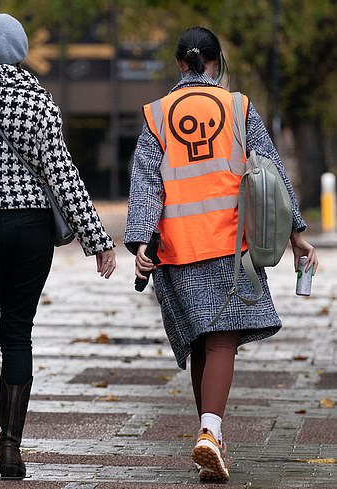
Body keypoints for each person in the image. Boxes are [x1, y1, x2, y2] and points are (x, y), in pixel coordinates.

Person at [0, 12, 117, 479]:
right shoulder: (38, 102)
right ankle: (10, 448)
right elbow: (62, 176)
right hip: (30, 228)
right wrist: (98, 241)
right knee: (17, 333)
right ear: (21, 51)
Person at [125, 26, 318, 482]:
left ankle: (209, 435)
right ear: (216, 61)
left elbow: (147, 183)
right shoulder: (239, 106)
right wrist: (295, 233)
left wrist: (139, 242)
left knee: (199, 342)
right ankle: (209, 433)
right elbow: (269, 175)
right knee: (222, 339)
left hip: (174, 245)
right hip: (230, 242)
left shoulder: (156, 113)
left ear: (179, 63)